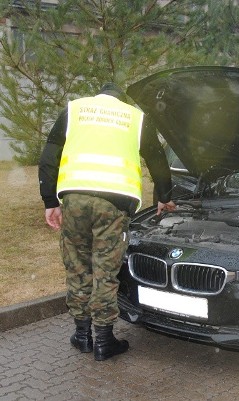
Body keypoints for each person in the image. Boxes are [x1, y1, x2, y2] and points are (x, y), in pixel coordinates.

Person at [38, 83, 176, 361]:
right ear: (121, 100)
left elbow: (49, 157)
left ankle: (82, 335)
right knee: (104, 269)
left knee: (77, 266)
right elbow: (157, 160)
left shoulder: (75, 110)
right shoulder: (135, 118)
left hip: (75, 200)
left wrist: (50, 201)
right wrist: (165, 196)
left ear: (98, 95)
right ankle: (103, 340)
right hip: (114, 204)